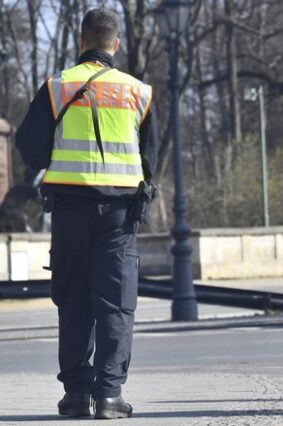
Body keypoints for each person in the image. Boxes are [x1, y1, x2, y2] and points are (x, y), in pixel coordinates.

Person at [15, 8, 158, 419]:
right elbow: (149, 157)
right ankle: (110, 395)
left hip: (69, 209)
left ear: (81, 41)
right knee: (115, 303)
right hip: (119, 213)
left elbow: (29, 146)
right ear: (116, 44)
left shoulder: (57, 86)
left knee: (74, 298)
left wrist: (56, 158)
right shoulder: (138, 91)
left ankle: (77, 394)